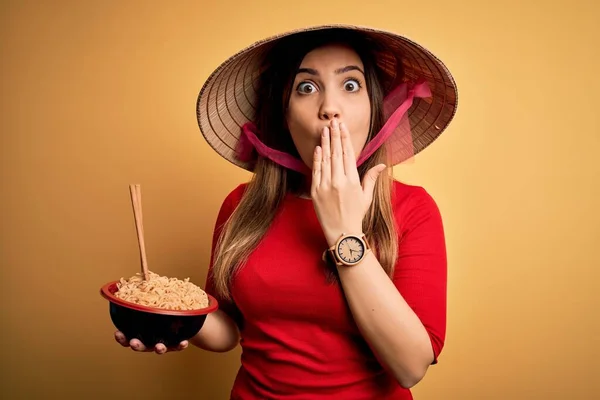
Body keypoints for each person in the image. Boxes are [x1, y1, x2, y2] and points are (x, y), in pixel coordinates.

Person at [115, 24, 458, 399]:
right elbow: (230, 330)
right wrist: (171, 318)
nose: (329, 108)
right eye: (306, 88)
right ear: (285, 116)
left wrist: (343, 232)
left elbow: (410, 366)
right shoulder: (240, 205)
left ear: (375, 110)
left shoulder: (413, 208)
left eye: (350, 85)